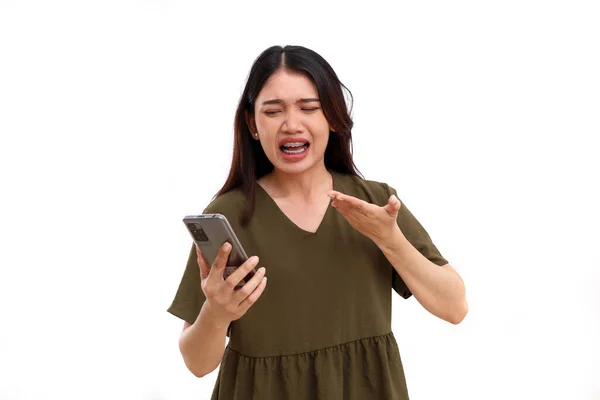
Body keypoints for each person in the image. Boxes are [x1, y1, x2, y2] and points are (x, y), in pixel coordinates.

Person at [167, 44, 468, 400]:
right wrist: (216, 313)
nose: (291, 124)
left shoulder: (374, 203)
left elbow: (455, 307)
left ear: (333, 118)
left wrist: (391, 241)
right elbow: (197, 364)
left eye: (309, 108)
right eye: (273, 111)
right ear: (252, 123)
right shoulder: (229, 214)